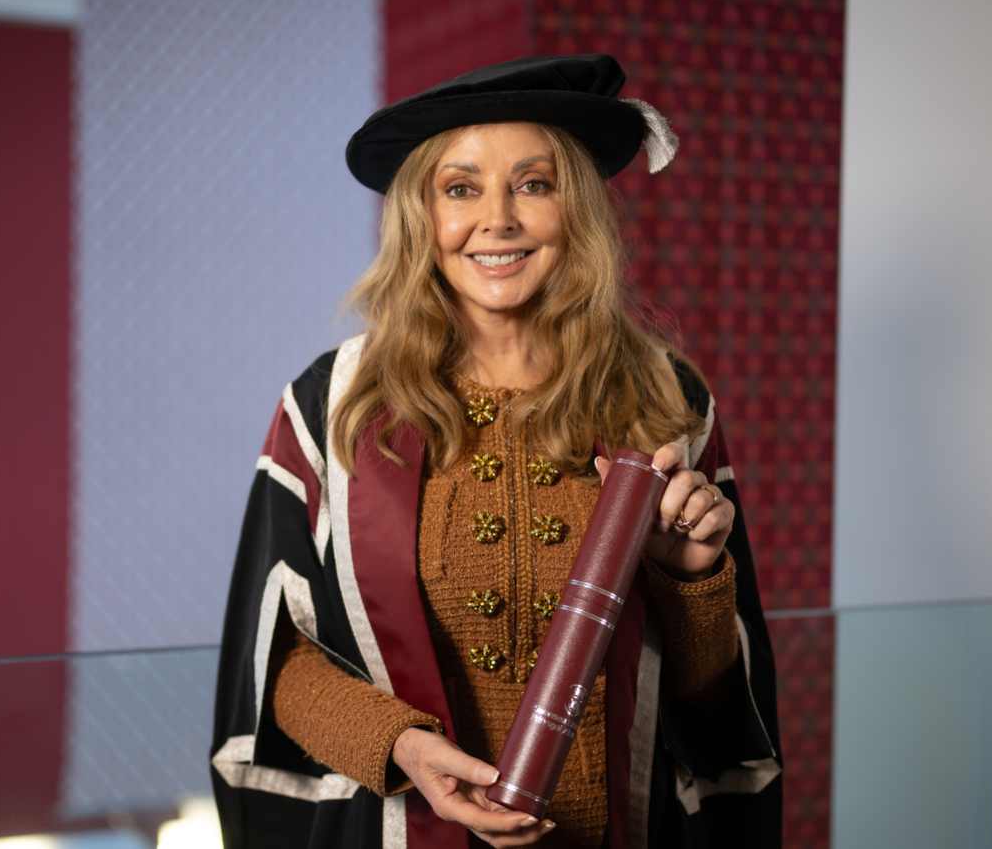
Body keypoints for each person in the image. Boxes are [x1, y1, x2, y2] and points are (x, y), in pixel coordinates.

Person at [211, 54, 781, 849]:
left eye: (534, 184)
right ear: (422, 216)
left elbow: (715, 704)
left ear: (574, 209)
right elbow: (282, 665)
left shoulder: (666, 401)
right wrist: (401, 748)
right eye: (461, 188)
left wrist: (693, 582)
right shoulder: (333, 403)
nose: (499, 220)